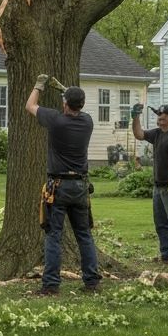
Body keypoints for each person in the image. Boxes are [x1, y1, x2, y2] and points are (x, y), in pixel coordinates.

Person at [26, 75, 100, 295]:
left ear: (65, 103)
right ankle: (92, 282)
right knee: (84, 235)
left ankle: (50, 285)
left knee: (54, 236)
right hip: (80, 187)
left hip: (58, 187)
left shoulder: (56, 120)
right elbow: (77, 103)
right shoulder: (87, 121)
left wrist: (38, 85)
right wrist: (68, 91)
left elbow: (30, 105)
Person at [132, 102, 168, 264]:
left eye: (163, 116)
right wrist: (135, 116)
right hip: (158, 186)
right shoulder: (157, 134)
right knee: (160, 222)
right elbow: (139, 134)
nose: (160, 118)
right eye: (159, 116)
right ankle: (167, 253)